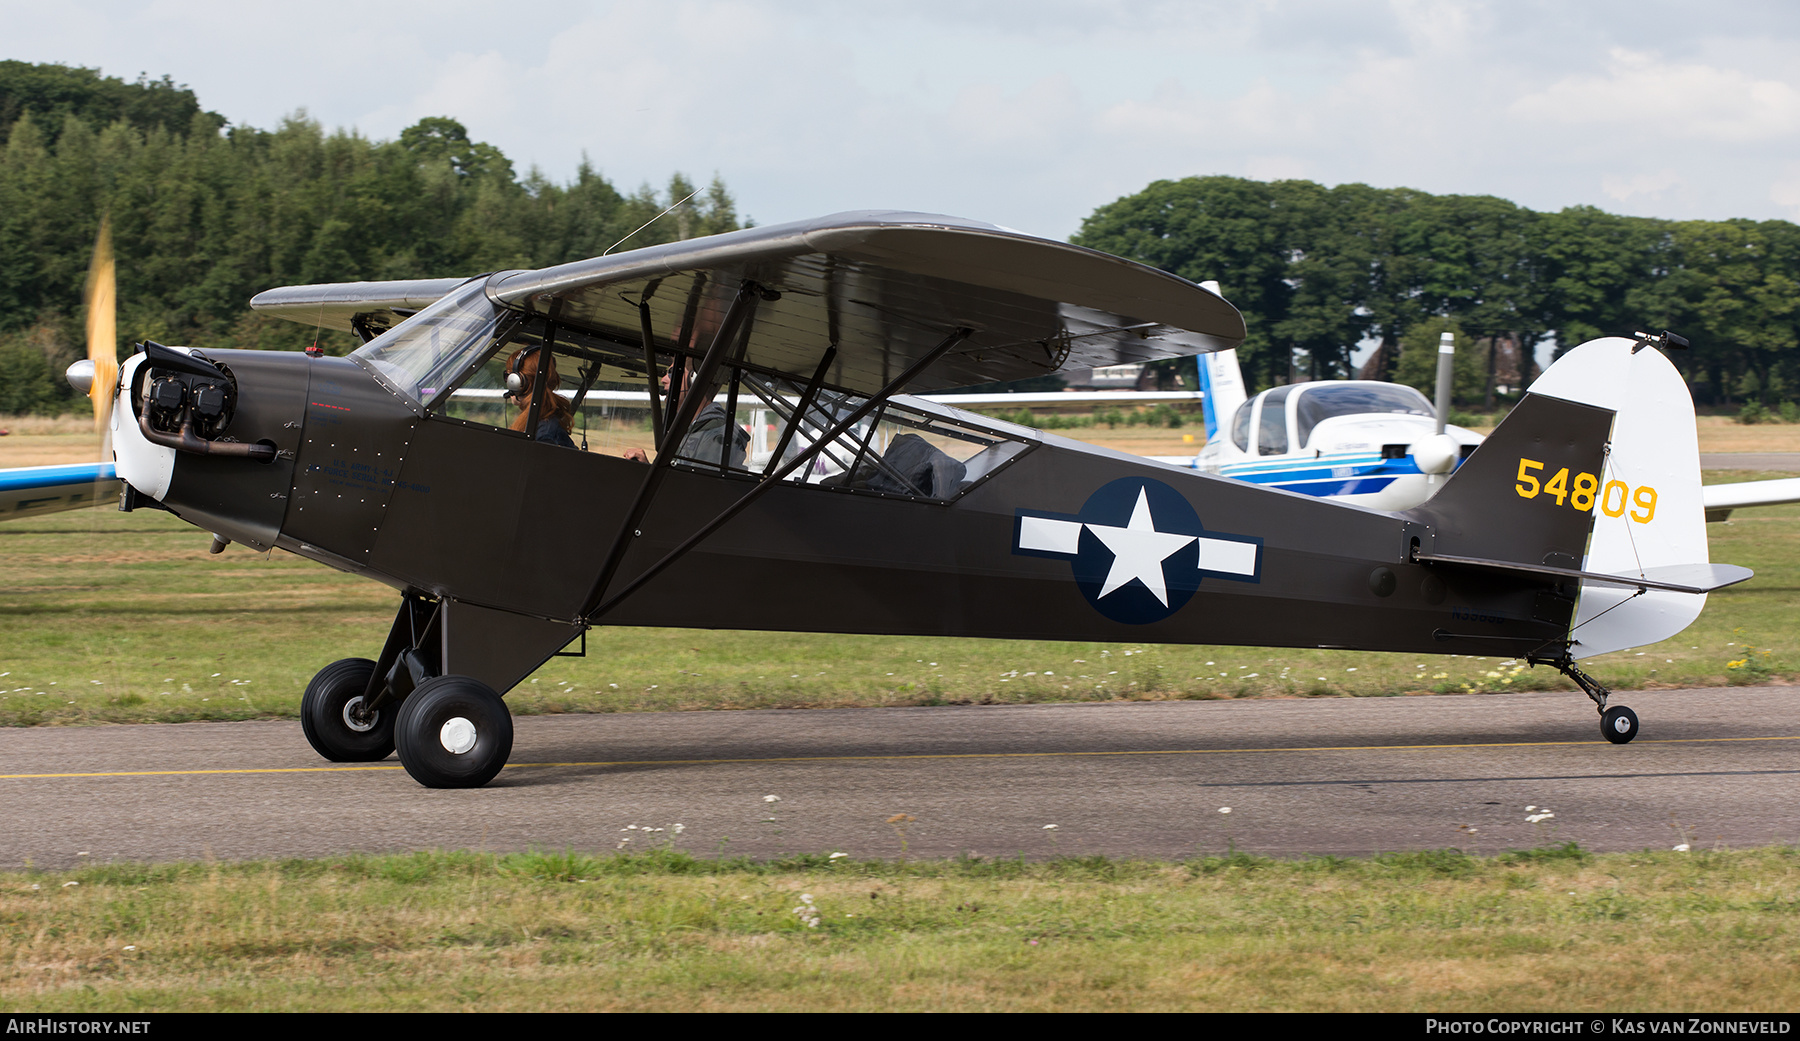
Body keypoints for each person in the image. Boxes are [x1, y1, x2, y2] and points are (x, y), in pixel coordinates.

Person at [624, 362, 748, 467]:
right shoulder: (691, 430)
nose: (663, 380)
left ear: (694, 379)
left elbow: (698, 492)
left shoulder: (717, 434)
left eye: (672, 372)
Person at [505, 345, 576, 449]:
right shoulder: (539, 422)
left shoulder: (543, 431)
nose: (508, 382)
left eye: (508, 377)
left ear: (517, 382)